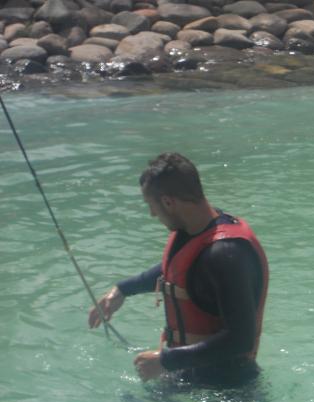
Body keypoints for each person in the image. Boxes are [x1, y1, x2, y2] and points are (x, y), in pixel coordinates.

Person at [88, 152, 269, 385]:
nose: (152, 214)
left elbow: (240, 340)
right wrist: (122, 290)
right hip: (190, 376)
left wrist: (166, 361)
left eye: (152, 206)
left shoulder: (226, 254)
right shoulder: (197, 229)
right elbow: (178, 270)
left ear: (168, 202)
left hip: (226, 390)